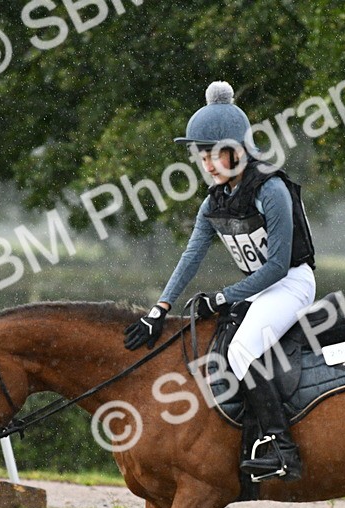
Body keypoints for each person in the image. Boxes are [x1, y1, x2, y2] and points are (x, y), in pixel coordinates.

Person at [123, 81, 317, 482]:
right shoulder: (214, 201)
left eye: (214, 154)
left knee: (242, 349)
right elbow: (190, 257)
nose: (208, 164)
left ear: (239, 150)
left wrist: (224, 296)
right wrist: (159, 309)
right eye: (202, 155)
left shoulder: (271, 190)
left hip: (292, 283)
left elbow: (278, 266)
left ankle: (282, 449)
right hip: (260, 289)